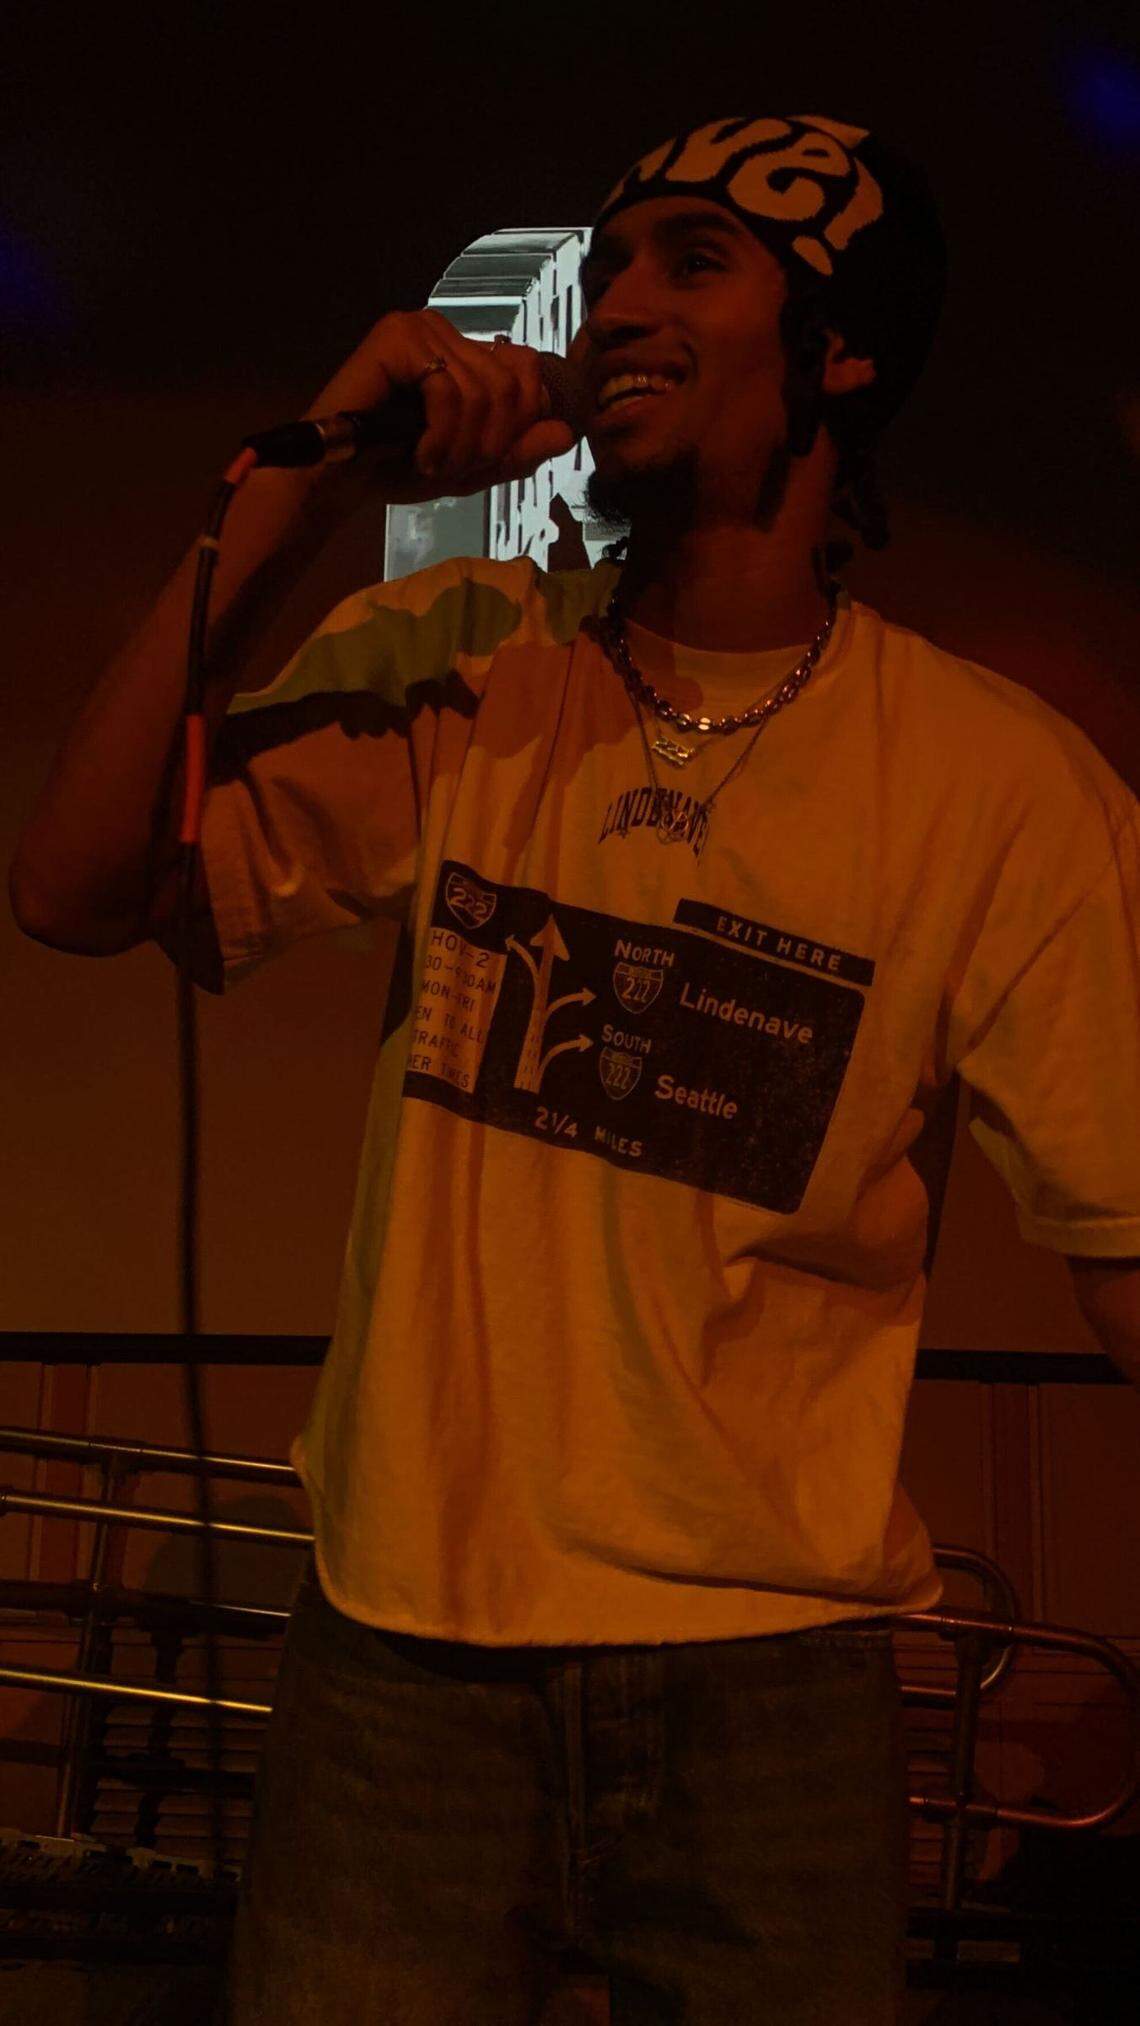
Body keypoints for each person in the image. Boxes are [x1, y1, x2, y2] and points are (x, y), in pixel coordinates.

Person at [10, 113, 1140, 2025]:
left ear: (841, 355)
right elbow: (76, 882)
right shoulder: (469, 662)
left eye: (694, 262)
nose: (620, 303)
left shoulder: (1001, 787)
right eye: (608, 266)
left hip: (771, 1685)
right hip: (402, 1664)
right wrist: (317, 467)